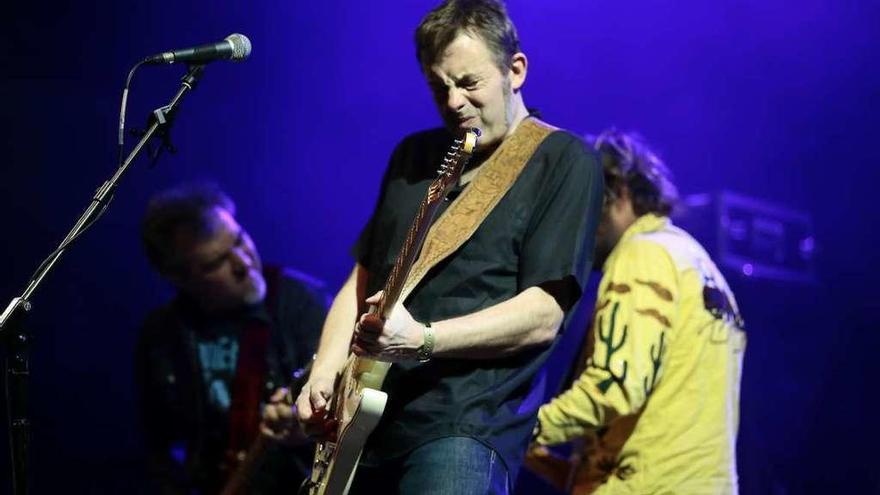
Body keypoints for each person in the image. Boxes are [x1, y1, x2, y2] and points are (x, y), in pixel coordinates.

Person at [289, 1, 604, 493]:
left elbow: (544, 315)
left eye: (469, 83)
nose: (453, 101)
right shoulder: (412, 156)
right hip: (363, 423)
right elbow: (363, 278)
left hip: (464, 425)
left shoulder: (562, 160)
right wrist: (323, 373)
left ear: (515, 71)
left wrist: (425, 339)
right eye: (439, 87)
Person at [527, 130, 746, 494]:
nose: (576, 233)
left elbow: (613, 387)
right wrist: (546, 461)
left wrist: (520, 429)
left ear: (620, 193)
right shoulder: (695, 261)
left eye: (583, 209)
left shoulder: (640, 256)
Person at [134, 183, 328, 494]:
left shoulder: (301, 301)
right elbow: (160, 449)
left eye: (239, 240)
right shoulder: (161, 334)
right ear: (178, 278)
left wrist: (303, 426)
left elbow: (339, 409)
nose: (243, 263)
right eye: (215, 263)